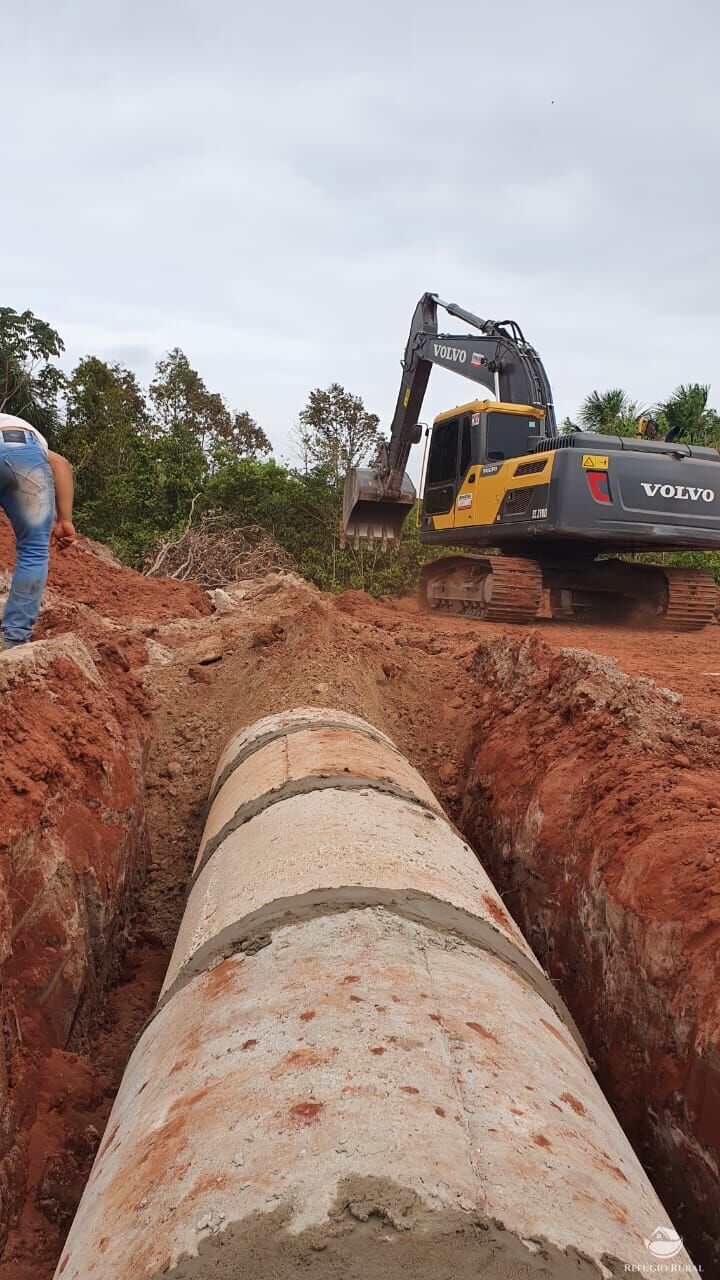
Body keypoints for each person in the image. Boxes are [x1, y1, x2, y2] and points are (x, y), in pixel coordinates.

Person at [0, 412, 76, 650]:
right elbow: (61, 463)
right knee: (33, 550)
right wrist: (65, 521)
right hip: (25, 456)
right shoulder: (19, 427)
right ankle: (12, 639)